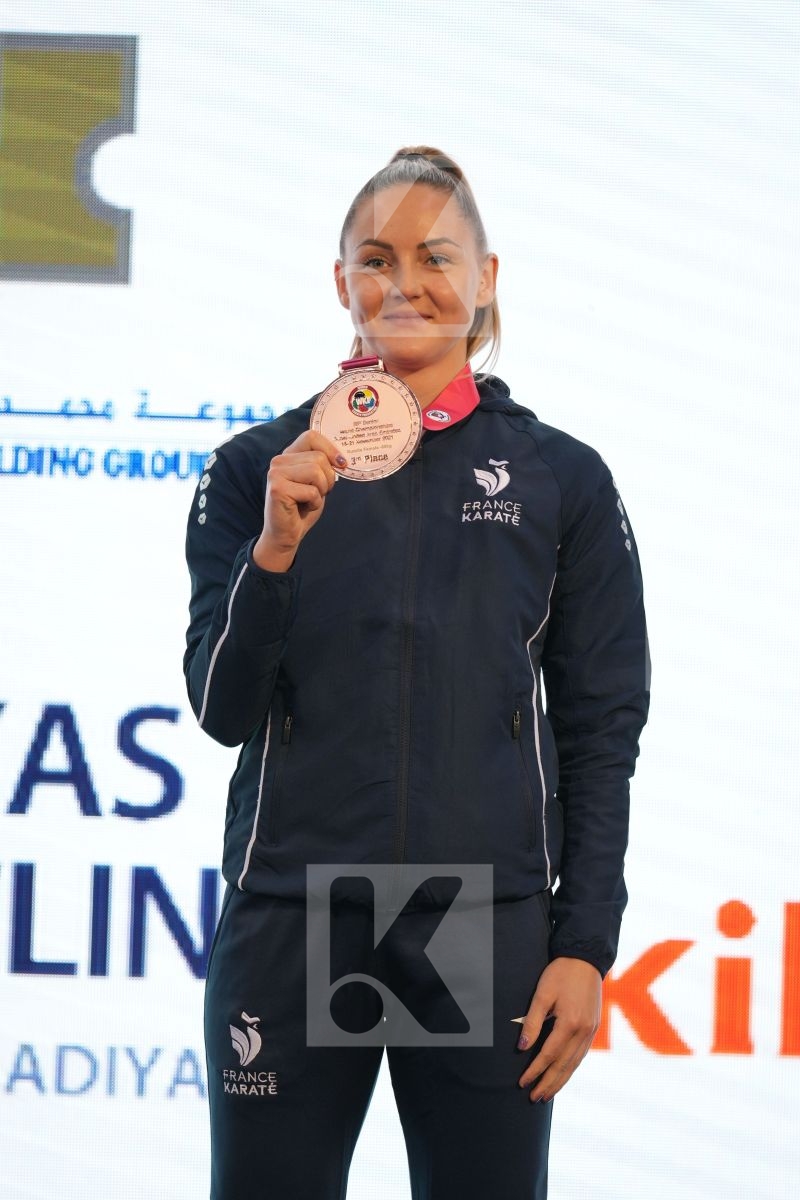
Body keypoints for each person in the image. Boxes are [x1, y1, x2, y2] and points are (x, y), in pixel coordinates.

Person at [183, 146, 651, 1200]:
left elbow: (598, 730)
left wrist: (583, 944)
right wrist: (272, 554)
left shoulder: (558, 479)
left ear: (486, 279)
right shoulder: (256, 470)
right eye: (375, 259)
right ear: (339, 281)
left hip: (480, 922)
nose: (405, 284)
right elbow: (220, 711)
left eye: (435, 257)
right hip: (292, 914)